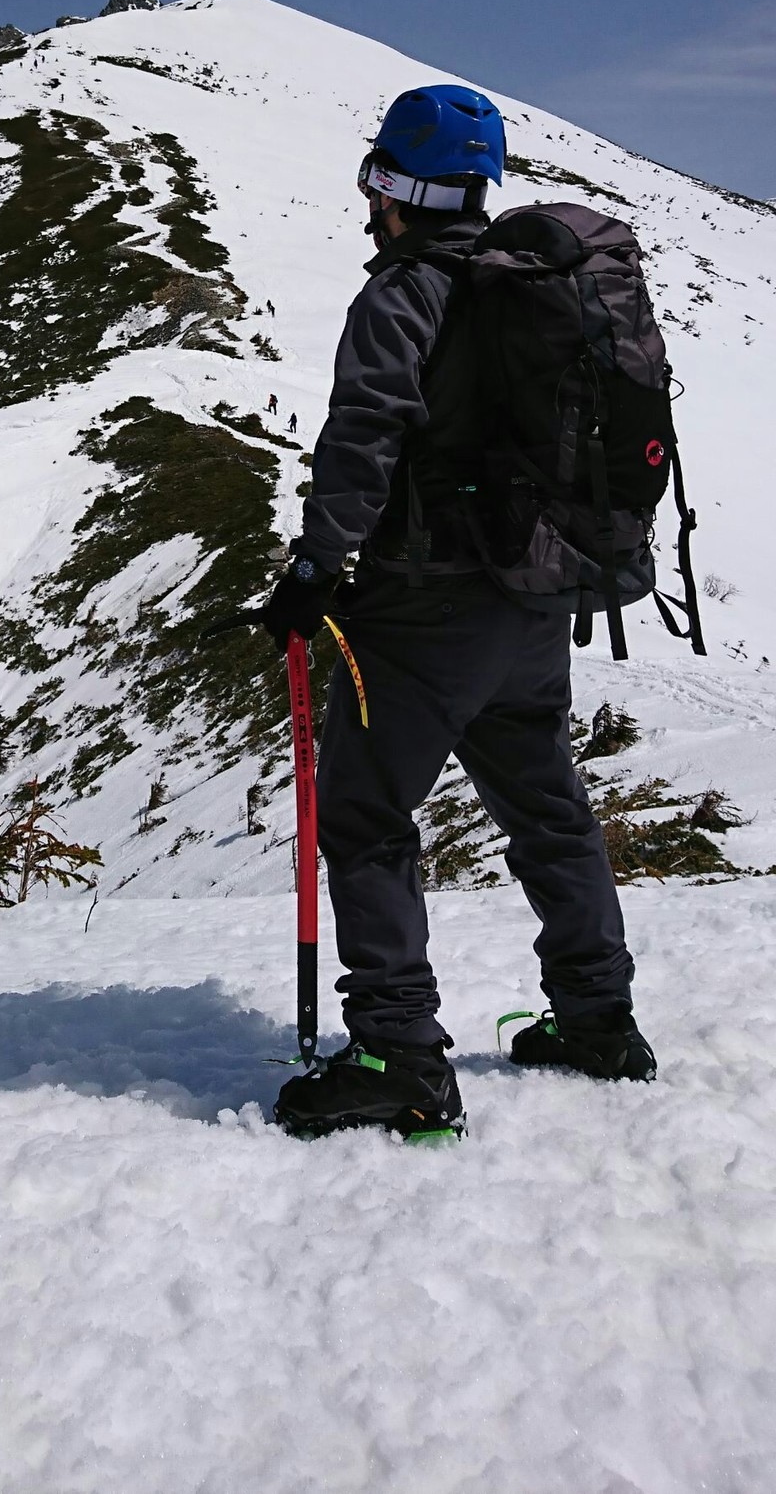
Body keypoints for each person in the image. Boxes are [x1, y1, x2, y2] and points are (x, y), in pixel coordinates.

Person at [259, 83, 655, 1143]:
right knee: (546, 805)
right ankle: (598, 1019)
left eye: (374, 180)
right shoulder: (519, 284)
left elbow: (366, 433)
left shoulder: (406, 294)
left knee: (364, 811)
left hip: (427, 607)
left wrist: (315, 566)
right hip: (533, 594)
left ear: (391, 186)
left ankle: (397, 1056)